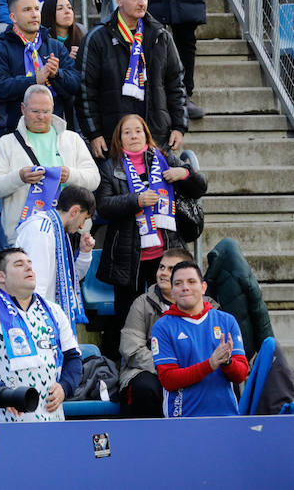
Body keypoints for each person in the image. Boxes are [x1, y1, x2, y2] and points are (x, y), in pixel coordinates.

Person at [96, 113, 207, 321]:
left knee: (170, 315)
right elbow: (103, 206)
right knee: (128, 317)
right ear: (119, 139)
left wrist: (184, 174)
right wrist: (136, 200)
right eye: (127, 132)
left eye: (138, 131)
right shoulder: (110, 167)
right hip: (128, 258)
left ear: (146, 135)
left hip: (166, 253)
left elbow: (200, 187)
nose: (133, 136)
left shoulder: (163, 157)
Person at [0, 248, 82, 423]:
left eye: (30, 264)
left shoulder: (54, 310)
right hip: (5, 417)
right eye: (19, 264)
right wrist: (2, 395)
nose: (28, 268)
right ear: (1, 276)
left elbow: (73, 357)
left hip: (52, 416)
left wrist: (65, 387)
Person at [80, 0, 187, 159]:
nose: (142, 3)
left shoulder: (160, 35)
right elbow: (85, 90)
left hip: (156, 136)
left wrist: (179, 126)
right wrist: (94, 134)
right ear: (119, 0)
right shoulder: (97, 38)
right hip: (113, 136)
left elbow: (175, 84)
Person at [0, 84, 100, 249]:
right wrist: (19, 178)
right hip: (22, 236)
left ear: (53, 109)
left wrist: (70, 175)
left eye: (46, 112)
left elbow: (94, 179)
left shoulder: (72, 139)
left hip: (68, 233)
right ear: (23, 108)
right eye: (35, 111)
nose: (41, 117)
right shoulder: (6, 144)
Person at [152, 260, 250, 417]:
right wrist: (209, 365)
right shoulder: (163, 326)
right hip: (183, 419)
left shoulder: (226, 321)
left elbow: (240, 375)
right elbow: (168, 379)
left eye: (191, 282)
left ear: (203, 287)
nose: (185, 287)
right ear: (172, 292)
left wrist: (227, 362)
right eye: (178, 283)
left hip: (226, 416)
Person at [0, 0, 81, 135]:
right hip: (14, 131)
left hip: (55, 130)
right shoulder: (0, 49)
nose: (34, 14)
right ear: (13, 18)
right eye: (27, 10)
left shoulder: (55, 46)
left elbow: (75, 84)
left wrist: (57, 74)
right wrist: (34, 80)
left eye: (36, 9)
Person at [119, 248, 196, 418]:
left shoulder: (204, 304)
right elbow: (131, 348)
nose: (163, 273)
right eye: (161, 267)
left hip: (192, 368)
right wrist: (167, 368)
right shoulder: (142, 303)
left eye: (170, 269)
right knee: (146, 388)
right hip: (148, 368)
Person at [14, 184, 96, 328]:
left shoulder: (57, 231)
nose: (82, 226)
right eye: (84, 219)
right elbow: (34, 285)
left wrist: (84, 253)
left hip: (47, 317)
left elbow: (70, 280)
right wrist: (39, 328)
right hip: (36, 322)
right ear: (75, 211)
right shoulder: (41, 231)